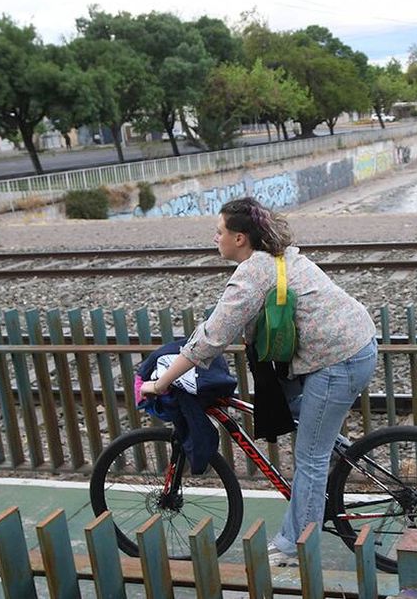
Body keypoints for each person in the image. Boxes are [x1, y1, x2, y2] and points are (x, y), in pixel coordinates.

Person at [141, 197, 377, 567]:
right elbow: (219, 325)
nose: (214, 237)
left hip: (339, 358)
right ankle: (333, 448)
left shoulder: (254, 272)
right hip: (346, 346)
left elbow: (213, 337)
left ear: (238, 238)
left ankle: (295, 548)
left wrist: (161, 382)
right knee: (297, 416)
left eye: (218, 232)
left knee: (310, 459)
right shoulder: (275, 257)